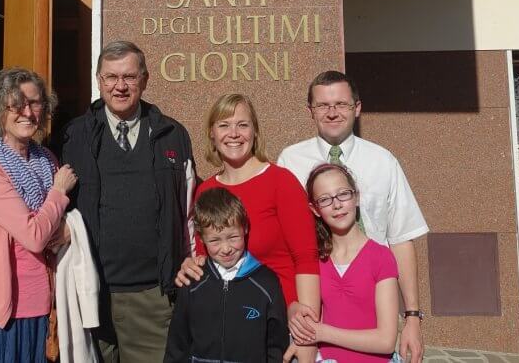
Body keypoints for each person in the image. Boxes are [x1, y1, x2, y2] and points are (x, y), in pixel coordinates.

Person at [277, 71, 428, 363]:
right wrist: (293, 308)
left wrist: (412, 318)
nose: (332, 113)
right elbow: (284, 246)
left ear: (357, 108)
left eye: (341, 104)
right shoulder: (290, 161)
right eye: (323, 105)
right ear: (310, 111)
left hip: (372, 309)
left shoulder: (383, 161)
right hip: (316, 310)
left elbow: (400, 239)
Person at [62, 40, 196, 363]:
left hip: (152, 297)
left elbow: (189, 210)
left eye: (129, 77)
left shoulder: (172, 134)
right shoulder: (73, 136)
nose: (119, 86)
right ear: (99, 81)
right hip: (90, 293)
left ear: (145, 80)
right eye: (110, 77)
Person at [179, 93, 320, 363]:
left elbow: (306, 259)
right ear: (212, 134)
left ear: (255, 132)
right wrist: (191, 265)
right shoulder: (206, 191)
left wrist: (306, 335)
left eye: (242, 125)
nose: (234, 133)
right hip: (229, 327)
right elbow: (205, 257)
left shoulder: (281, 182)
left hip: (281, 321)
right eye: (224, 125)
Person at [0, 67, 78, 363]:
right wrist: (58, 193)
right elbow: (34, 236)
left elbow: (56, 227)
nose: (27, 112)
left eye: (35, 103)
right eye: (16, 104)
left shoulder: (47, 160)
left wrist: (69, 230)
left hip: (42, 305)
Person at [164, 187, 289, 363]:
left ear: (245, 228)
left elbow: (276, 346)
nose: (226, 249)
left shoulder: (266, 283)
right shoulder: (192, 281)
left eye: (233, 237)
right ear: (201, 239)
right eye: (215, 240)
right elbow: (177, 344)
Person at [294, 163, 399, 363]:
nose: (337, 204)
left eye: (343, 194)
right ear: (315, 209)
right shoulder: (316, 259)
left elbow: (386, 340)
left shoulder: (381, 257)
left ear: (356, 197)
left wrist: (322, 332)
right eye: (325, 199)